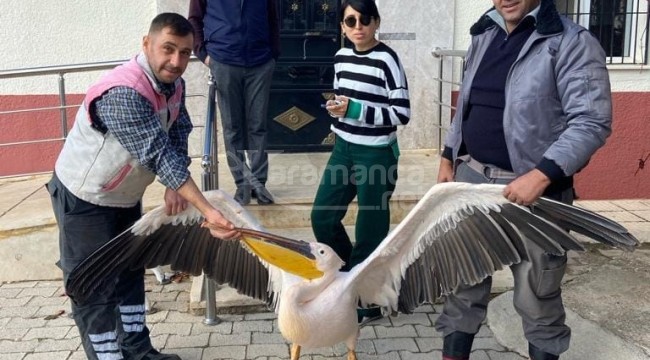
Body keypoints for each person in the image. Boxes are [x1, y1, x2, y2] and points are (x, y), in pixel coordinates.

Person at [46, 13, 239, 360]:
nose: (177, 61)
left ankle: (137, 350)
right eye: (168, 49)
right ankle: (107, 356)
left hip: (123, 196)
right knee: (94, 285)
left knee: (130, 272)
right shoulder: (124, 92)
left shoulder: (172, 84)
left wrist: (173, 186)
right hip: (85, 197)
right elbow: (157, 153)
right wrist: (208, 210)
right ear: (146, 44)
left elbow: (178, 130)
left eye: (185, 52)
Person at [435, 0, 612, 359]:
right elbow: (468, 102)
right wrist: (448, 153)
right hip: (473, 184)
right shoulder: (484, 33)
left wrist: (542, 174)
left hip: (537, 196)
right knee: (461, 287)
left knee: (537, 298)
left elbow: (592, 122)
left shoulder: (571, 42)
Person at [310, 0, 410, 325]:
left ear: (376, 22)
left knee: (370, 227)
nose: (358, 26)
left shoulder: (387, 60)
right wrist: (337, 110)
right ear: (342, 26)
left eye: (365, 19)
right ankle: (349, 275)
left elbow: (402, 112)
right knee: (322, 217)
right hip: (343, 149)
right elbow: (344, 98)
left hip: (377, 153)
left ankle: (367, 298)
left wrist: (354, 110)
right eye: (350, 20)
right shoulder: (341, 56)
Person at [188, 0, 280, 206]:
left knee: (258, 126)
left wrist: (274, 53)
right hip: (224, 60)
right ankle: (243, 184)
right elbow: (194, 19)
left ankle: (259, 184)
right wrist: (203, 54)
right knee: (232, 127)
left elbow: (272, 18)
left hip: (260, 62)